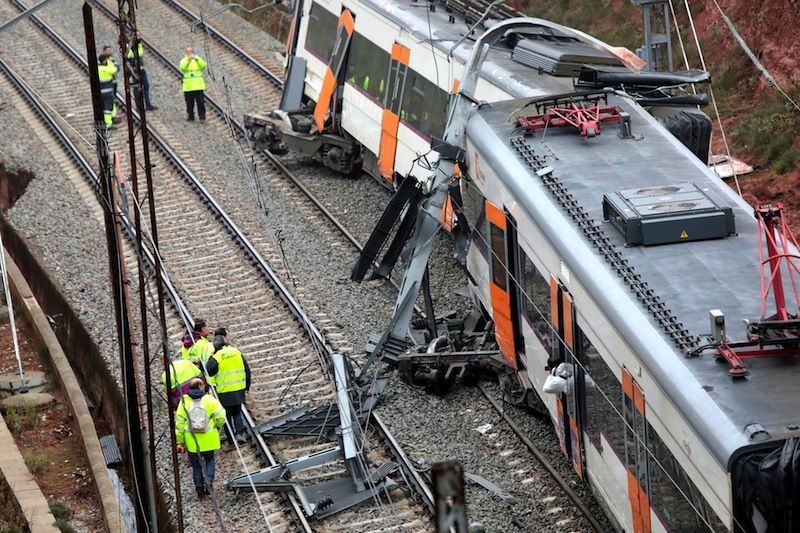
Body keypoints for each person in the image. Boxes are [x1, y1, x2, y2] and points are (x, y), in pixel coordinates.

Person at [175, 379, 226, 497]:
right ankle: (209, 482)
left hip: (192, 442)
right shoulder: (209, 400)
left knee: (196, 465)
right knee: (210, 460)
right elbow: (221, 417)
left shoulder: (183, 402)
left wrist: (181, 441)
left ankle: (199, 489)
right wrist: (217, 427)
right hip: (209, 439)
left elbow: (179, 425)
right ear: (200, 386)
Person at [206, 328, 251, 446]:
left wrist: (211, 356)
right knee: (237, 412)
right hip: (239, 388)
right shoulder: (236, 351)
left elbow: (209, 370)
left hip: (225, 392)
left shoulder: (217, 356)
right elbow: (247, 369)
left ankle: (231, 440)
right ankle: (240, 434)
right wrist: (247, 386)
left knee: (226, 417)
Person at [126, 31, 157, 112]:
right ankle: (139, 106)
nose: (139, 37)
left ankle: (148, 105)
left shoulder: (139, 44)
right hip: (135, 70)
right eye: (138, 35)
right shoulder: (129, 45)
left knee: (146, 86)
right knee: (136, 87)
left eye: (140, 35)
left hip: (142, 69)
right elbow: (129, 57)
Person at [179, 47, 206, 121]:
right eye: (188, 52)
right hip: (188, 86)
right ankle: (190, 116)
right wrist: (188, 60)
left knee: (200, 102)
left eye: (191, 52)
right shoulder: (184, 60)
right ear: (186, 53)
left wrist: (197, 59)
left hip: (198, 86)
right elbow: (182, 67)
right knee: (189, 103)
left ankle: (202, 116)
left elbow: (203, 65)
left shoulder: (197, 60)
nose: (190, 54)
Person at [97, 51, 117, 129]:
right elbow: (115, 69)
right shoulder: (106, 68)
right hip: (108, 92)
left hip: (100, 92)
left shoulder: (98, 68)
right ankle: (108, 124)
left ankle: (104, 122)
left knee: (103, 107)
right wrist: (110, 61)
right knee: (108, 108)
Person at [101, 46, 119, 124]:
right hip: (107, 87)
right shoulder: (103, 63)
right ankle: (109, 120)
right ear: (104, 51)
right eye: (108, 51)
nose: (110, 52)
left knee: (113, 101)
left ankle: (112, 116)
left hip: (112, 84)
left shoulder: (111, 60)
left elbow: (118, 67)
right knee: (108, 103)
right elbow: (114, 69)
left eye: (110, 51)